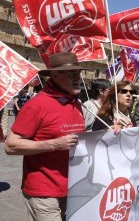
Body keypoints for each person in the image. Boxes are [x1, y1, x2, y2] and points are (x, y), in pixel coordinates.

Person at [4, 52, 88, 221]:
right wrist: (53, 145)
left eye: (79, 73)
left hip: (73, 187)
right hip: (44, 191)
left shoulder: (75, 102)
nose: (78, 78)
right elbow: (10, 145)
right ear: (54, 75)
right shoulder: (37, 105)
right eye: (72, 74)